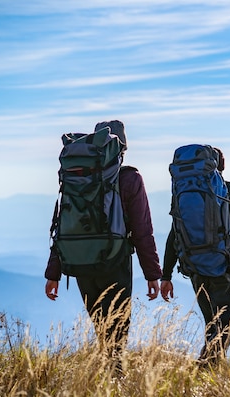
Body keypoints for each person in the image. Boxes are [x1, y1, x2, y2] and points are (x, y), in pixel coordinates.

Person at [44, 120, 174, 374]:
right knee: (117, 327)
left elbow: (63, 223)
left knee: (101, 325)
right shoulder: (129, 179)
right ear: (122, 147)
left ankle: (107, 377)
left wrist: (53, 272)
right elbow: (142, 229)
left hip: (79, 259)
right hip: (114, 260)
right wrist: (153, 274)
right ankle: (115, 381)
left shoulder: (77, 175)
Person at [162, 147, 230, 366]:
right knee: (227, 323)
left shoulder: (182, 194)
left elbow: (175, 233)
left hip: (194, 265)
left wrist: (166, 274)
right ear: (219, 166)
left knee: (211, 321)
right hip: (225, 266)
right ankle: (206, 368)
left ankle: (207, 365)